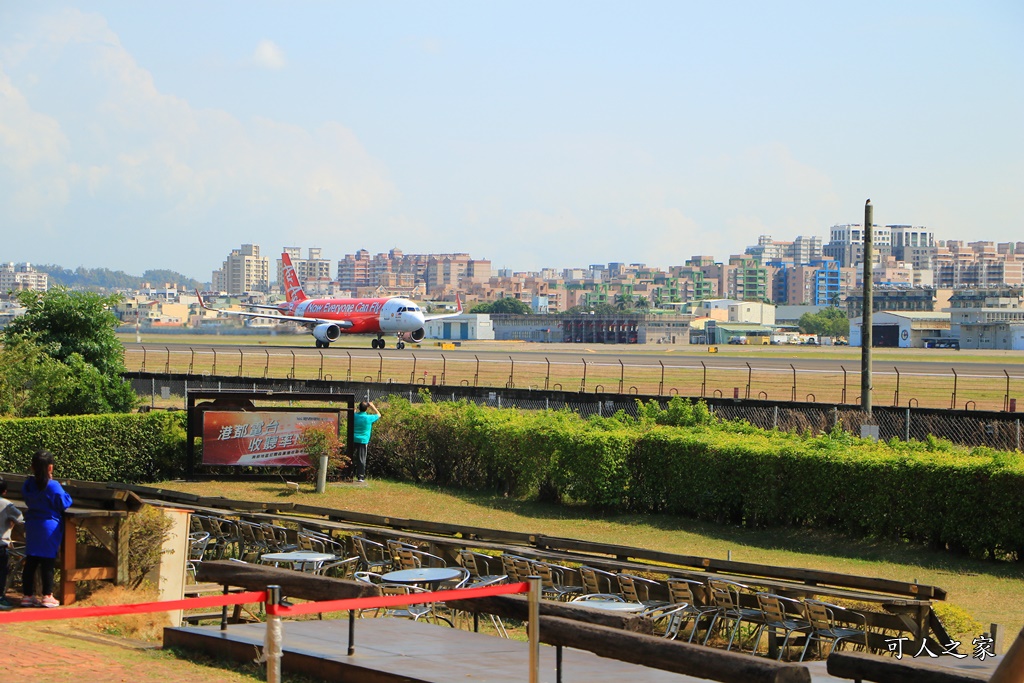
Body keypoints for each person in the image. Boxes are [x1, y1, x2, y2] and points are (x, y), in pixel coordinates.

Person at [21, 450, 73, 608]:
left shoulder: (28, 484)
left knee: (31, 561)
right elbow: (65, 502)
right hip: (48, 526)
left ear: (32, 467)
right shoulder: (53, 486)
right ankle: (47, 595)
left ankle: (27, 595)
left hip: (32, 524)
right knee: (47, 562)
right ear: (50, 468)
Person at [0, 477, 24, 610]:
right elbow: (20, 518)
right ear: (4, 491)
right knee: (1, 572)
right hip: (1, 544)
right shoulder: (7, 505)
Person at [351, 401, 381, 482]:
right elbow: (379, 414)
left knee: (350, 457)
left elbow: (352, 413)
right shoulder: (368, 418)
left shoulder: (355, 416)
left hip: (353, 439)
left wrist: (355, 408)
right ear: (366, 409)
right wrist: (372, 406)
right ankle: (360, 476)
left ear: (359, 408)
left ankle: (348, 474)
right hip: (363, 440)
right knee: (361, 459)